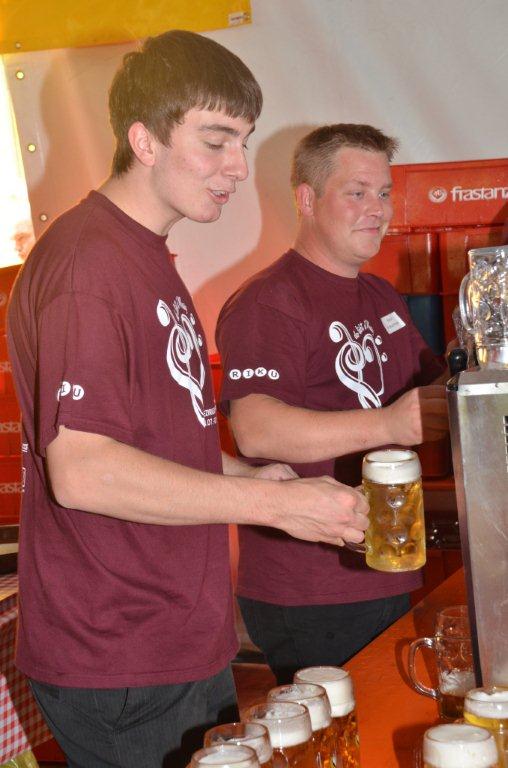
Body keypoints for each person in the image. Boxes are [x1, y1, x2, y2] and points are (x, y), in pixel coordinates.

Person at [7, 37, 369, 768]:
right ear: (144, 141)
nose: (238, 166)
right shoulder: (87, 265)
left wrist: (254, 479)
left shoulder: (143, 252)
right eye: (215, 141)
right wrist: (273, 506)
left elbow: (161, 441)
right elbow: (83, 470)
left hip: (173, 637)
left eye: (244, 141)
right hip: (120, 653)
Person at [216, 123, 449, 684]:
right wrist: (390, 423)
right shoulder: (269, 301)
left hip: (388, 564)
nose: (378, 209)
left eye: (384, 193)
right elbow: (256, 430)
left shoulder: (379, 294)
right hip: (311, 591)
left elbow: (434, 394)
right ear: (306, 199)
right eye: (357, 192)